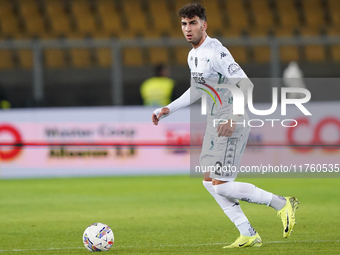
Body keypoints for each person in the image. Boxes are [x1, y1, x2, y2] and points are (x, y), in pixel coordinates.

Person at [151, 2, 299, 249]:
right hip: (215, 122)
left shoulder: (216, 51)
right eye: (184, 24)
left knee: (222, 186)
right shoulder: (193, 55)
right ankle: (248, 233)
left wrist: (235, 117)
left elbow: (246, 85)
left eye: (193, 23)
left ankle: (281, 203)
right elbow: (198, 89)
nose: (188, 29)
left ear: (204, 25)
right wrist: (168, 109)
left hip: (232, 122)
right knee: (209, 182)